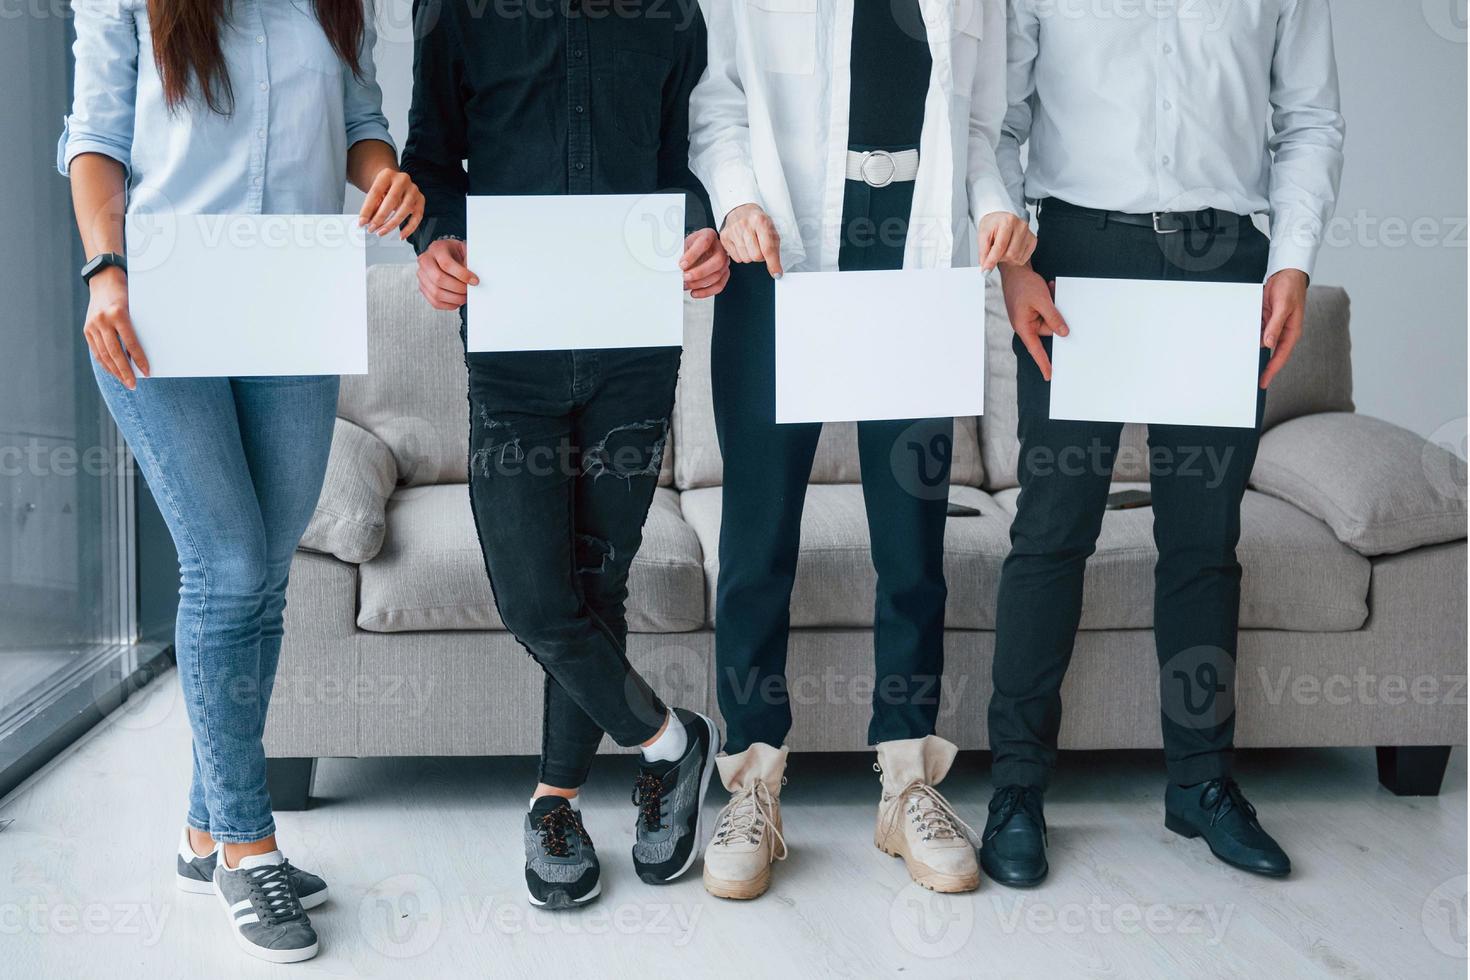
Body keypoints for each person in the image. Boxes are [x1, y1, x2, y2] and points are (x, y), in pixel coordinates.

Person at [60, 0, 421, 963]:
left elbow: (360, 123)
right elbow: (93, 136)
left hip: (291, 299)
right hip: (155, 305)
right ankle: (248, 849)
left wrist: (386, 179)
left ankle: (200, 831)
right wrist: (105, 270)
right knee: (223, 567)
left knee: (263, 572)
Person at [980, 0, 1345, 886]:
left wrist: (1291, 259)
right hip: (1076, 254)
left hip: (1225, 262)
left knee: (1203, 544)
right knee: (1051, 535)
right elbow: (994, 122)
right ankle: (1018, 791)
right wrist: (1016, 264)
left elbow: (1309, 119)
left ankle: (1201, 784)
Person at [687, 0, 1032, 900]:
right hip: (776, 262)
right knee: (757, 542)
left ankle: (908, 783)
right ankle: (752, 783)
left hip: (916, 265)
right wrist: (737, 200)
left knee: (912, 547)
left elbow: (986, 125)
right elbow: (715, 99)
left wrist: (996, 206)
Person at [403, 0, 729, 910]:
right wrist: (432, 243)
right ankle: (672, 744)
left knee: (596, 583)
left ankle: (558, 801)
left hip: (634, 343)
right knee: (535, 598)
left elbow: (683, 162)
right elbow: (431, 160)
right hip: (512, 342)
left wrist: (702, 229)